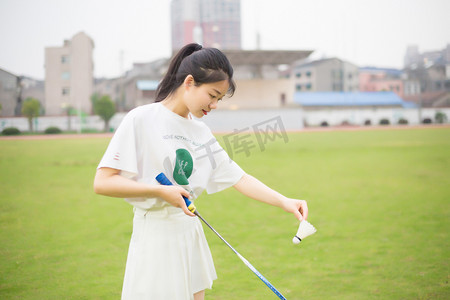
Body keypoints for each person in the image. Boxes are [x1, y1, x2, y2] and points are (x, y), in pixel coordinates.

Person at [93, 43, 309, 300]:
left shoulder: (201, 133)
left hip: (190, 234)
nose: (215, 105)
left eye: (219, 99)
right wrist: (160, 191)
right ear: (189, 82)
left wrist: (285, 201)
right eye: (213, 95)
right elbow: (103, 182)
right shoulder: (141, 119)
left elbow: (239, 178)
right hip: (155, 239)